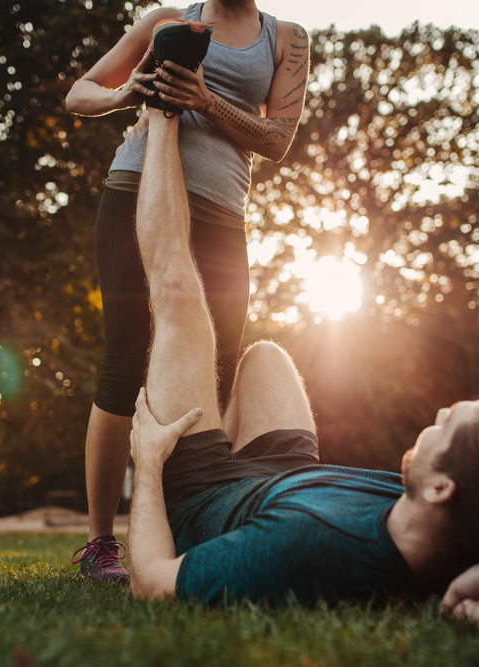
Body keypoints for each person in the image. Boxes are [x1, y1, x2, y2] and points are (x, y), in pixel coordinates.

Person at [124, 106, 479, 616]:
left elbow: (152, 584)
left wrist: (147, 465)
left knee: (178, 291)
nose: (444, 411)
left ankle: (162, 113)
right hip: (290, 478)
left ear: (440, 489)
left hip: (208, 499)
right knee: (266, 356)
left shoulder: (304, 548)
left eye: (455, 421)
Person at [65, 0, 311, 581]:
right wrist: (128, 94)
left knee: (216, 370)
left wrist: (205, 101)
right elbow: (79, 94)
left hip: (223, 212)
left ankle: (195, 520)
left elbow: (277, 139)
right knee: (124, 364)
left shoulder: (287, 40)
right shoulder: (166, 19)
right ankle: (101, 545)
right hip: (136, 188)